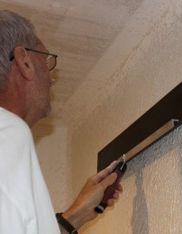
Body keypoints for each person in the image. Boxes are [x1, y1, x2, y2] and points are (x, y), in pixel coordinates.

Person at [0, 10, 122, 234]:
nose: (50, 76)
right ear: (24, 62)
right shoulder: (8, 131)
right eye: (46, 60)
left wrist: (76, 214)